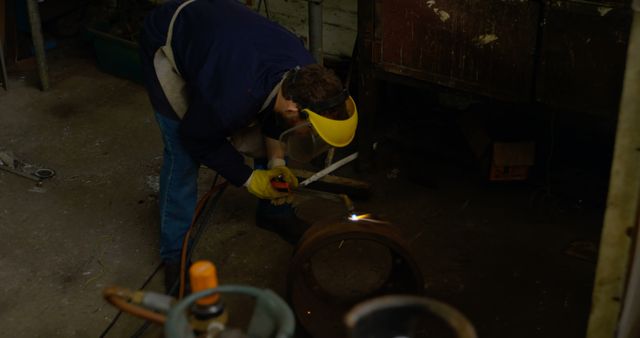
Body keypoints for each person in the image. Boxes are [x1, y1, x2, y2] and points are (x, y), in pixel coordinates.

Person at [139, 0, 358, 291]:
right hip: (167, 39)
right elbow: (196, 137)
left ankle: (274, 213)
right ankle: (174, 256)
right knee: (182, 153)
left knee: (270, 130)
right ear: (294, 109)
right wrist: (250, 179)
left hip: (225, 42)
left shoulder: (303, 72)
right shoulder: (232, 101)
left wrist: (277, 166)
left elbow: (277, 120)